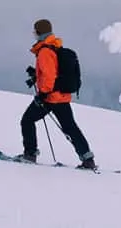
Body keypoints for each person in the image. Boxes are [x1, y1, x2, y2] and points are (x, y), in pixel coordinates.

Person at [17, 18, 97, 170]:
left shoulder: (45, 51)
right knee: (70, 127)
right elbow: (54, 72)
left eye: (35, 31)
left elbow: (49, 76)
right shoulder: (55, 47)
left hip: (50, 98)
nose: (33, 33)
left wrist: (42, 94)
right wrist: (35, 75)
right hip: (62, 97)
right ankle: (88, 159)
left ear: (39, 32)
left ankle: (30, 154)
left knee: (27, 121)